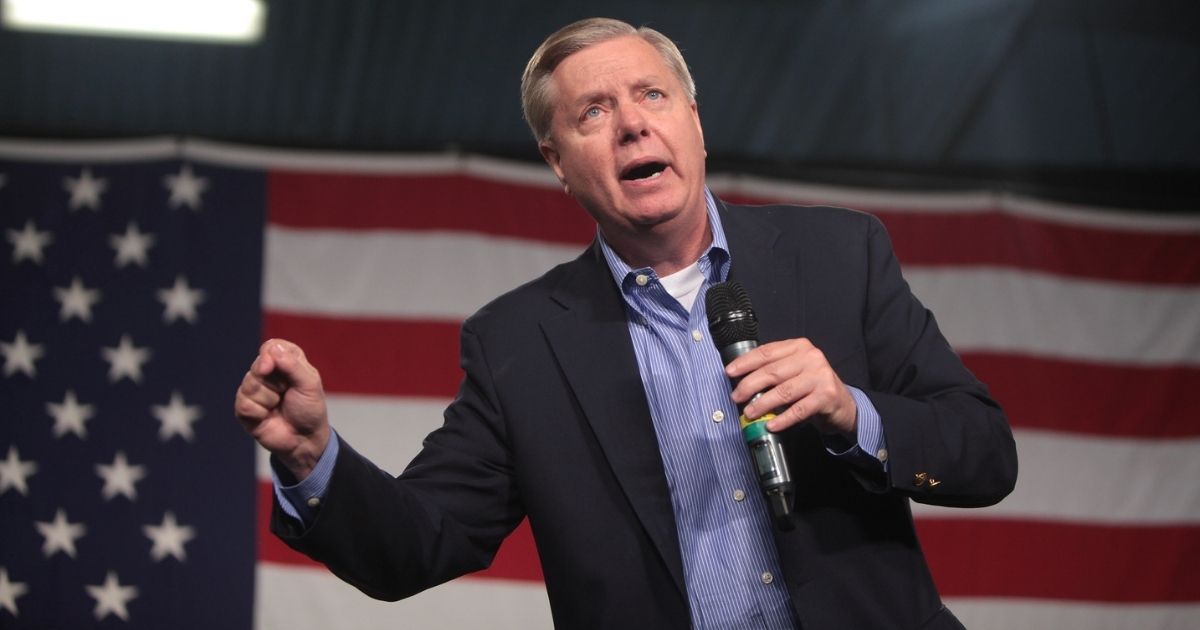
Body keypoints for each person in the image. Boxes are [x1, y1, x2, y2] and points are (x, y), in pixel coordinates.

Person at [234, 17, 1017, 630]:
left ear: (695, 124)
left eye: (652, 96)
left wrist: (852, 413)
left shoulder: (842, 253)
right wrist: (311, 457)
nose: (633, 126)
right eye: (593, 113)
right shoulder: (519, 345)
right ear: (557, 162)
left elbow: (984, 454)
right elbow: (415, 545)